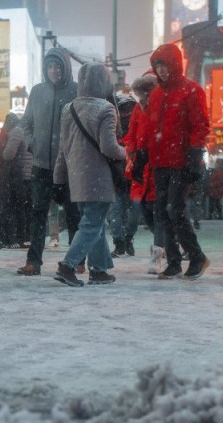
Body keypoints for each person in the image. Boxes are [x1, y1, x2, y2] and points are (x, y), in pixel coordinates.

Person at [132, 43, 210, 280]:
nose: (161, 70)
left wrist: (195, 155)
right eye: (157, 66)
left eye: (164, 65)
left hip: (180, 161)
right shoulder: (156, 94)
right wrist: (141, 156)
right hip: (159, 162)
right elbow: (149, 128)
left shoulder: (191, 90)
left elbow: (200, 125)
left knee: (174, 210)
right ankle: (174, 261)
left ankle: (196, 256)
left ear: (174, 65)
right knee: (162, 212)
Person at [52, 62, 127, 286]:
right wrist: (128, 152)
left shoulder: (69, 108)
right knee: (92, 224)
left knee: (95, 223)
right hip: (99, 177)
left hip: (76, 177)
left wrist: (58, 178)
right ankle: (68, 265)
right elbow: (109, 148)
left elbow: (62, 148)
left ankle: (99, 270)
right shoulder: (105, 108)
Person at [16, 47, 81, 276]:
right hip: (41, 164)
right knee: (38, 213)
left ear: (66, 68)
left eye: (58, 66)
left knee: (74, 214)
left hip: (68, 165)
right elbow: (25, 122)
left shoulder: (76, 91)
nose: (54, 71)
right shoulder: (38, 91)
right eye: (50, 67)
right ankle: (34, 261)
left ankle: (77, 259)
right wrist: (33, 143)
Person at [124, 73, 164, 274]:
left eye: (145, 95)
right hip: (142, 168)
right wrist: (132, 153)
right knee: (147, 213)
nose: (142, 99)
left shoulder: (161, 107)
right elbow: (131, 134)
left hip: (157, 167)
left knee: (157, 213)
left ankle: (157, 254)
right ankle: (166, 243)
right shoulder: (138, 110)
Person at [0, 113, 30, 249]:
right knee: (19, 208)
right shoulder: (25, 131)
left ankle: (5, 237)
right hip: (17, 176)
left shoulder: (14, 132)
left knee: (5, 207)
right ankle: (18, 237)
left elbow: (7, 154)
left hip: (10, 176)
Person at [108, 93, 139, 258]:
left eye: (130, 109)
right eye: (124, 109)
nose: (127, 113)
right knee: (116, 213)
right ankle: (119, 243)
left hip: (134, 178)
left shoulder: (138, 129)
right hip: (116, 178)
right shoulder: (112, 131)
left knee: (134, 213)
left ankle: (127, 238)